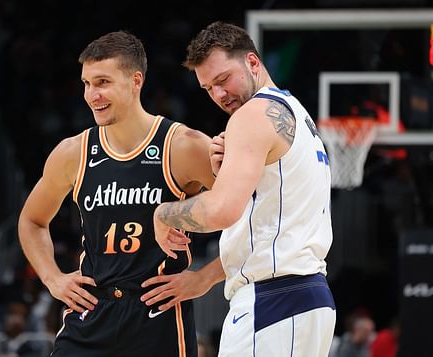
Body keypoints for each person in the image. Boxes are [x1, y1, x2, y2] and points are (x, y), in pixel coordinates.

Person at [17, 30, 216, 356]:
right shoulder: (73, 153)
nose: (91, 94)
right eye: (86, 84)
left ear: (136, 80)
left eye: (103, 82)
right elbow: (32, 220)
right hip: (92, 311)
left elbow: (257, 209)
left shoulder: (183, 146)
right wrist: (53, 278)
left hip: (157, 313)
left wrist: (206, 278)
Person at [145, 21, 337, 356]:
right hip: (298, 297)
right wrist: (204, 278)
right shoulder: (296, 114)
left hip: (275, 301)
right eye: (208, 88)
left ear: (252, 62)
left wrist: (164, 214)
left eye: (223, 79)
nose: (219, 94)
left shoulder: (254, 114)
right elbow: (266, 225)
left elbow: (221, 210)